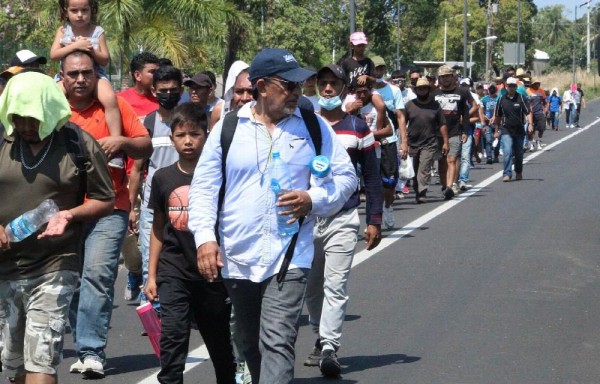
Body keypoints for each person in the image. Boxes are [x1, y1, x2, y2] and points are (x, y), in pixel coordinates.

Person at [188, 48, 357, 384]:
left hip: (290, 254)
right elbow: (204, 187)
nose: (298, 91)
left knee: (278, 341)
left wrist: (313, 198)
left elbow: (346, 177)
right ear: (262, 87)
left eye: (299, 85)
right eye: (289, 85)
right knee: (248, 342)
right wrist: (205, 238)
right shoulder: (230, 127)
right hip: (237, 255)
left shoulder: (313, 125)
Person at [0, 71, 114, 384]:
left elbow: (105, 200)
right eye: (18, 118)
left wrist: (70, 215)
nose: (25, 126)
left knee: (41, 358)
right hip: (5, 268)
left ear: (50, 110)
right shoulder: (2, 139)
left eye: (33, 119)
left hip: (55, 264)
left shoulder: (77, 143)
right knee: (15, 363)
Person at [61, 50, 153, 378]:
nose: (81, 79)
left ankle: (90, 350)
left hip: (111, 206)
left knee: (98, 274)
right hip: (66, 211)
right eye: (73, 74)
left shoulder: (115, 107)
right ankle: (83, 340)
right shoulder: (53, 110)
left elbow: (146, 145)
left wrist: (122, 141)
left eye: (87, 72)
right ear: (62, 77)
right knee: (70, 281)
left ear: (96, 75)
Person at [144, 103, 236, 384]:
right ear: (171, 137)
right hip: (174, 271)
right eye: (181, 134)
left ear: (206, 135)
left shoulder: (220, 176)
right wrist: (152, 274)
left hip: (211, 273)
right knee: (173, 336)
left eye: (194, 134)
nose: (187, 141)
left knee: (219, 341)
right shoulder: (162, 178)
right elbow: (158, 228)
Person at [303, 64, 382, 377]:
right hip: (308, 219)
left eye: (333, 84)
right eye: (322, 84)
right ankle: (319, 334)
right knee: (312, 287)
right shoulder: (304, 125)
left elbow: (372, 176)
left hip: (344, 216)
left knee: (335, 285)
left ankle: (329, 347)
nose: (327, 89)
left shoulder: (357, 126)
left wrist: (374, 219)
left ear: (343, 87)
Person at [129, 65, 184, 305]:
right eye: (163, 90)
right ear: (154, 90)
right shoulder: (148, 123)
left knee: (181, 256)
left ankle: (178, 305)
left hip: (185, 201)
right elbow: (137, 169)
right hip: (153, 203)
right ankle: (151, 307)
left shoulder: (188, 120)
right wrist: (132, 207)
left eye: (174, 89)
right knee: (150, 256)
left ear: (180, 90)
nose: (169, 94)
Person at [50, 0, 125, 168]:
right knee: (52, 98)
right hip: (66, 77)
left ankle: (116, 145)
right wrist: (76, 45)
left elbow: (104, 60)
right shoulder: (62, 30)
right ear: (66, 11)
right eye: (74, 10)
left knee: (110, 97)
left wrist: (91, 49)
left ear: (92, 10)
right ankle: (50, 142)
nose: (79, 15)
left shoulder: (97, 31)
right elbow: (54, 55)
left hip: (95, 74)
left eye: (84, 10)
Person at [404, 77, 448, 203]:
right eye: (420, 89)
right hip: (413, 142)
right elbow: (402, 123)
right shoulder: (409, 105)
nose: (422, 91)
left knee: (424, 167)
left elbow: (442, 124)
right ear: (416, 90)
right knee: (416, 168)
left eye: (424, 88)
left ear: (428, 89)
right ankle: (417, 190)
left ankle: (423, 191)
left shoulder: (435, 106)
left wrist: (445, 142)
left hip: (429, 142)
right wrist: (404, 142)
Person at [434, 65, 475, 199]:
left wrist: (464, 131)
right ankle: (445, 185)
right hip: (437, 133)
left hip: (455, 131)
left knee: (452, 159)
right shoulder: (434, 93)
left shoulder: (462, 92)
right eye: (442, 77)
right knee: (441, 161)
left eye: (447, 76)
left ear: (453, 77)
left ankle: (450, 186)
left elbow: (465, 112)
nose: (445, 79)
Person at [493, 77, 533, 182]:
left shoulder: (521, 98)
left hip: (519, 129)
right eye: (509, 86)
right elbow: (498, 116)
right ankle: (507, 173)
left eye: (513, 86)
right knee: (507, 151)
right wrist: (496, 130)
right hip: (506, 129)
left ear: (516, 87)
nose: (511, 88)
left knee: (519, 153)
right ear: (506, 86)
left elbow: (528, 112)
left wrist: (530, 124)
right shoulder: (501, 99)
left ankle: (519, 172)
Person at [209, 61, 252, 130]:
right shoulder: (219, 110)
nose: (245, 98)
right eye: (239, 91)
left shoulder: (263, 115)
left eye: (251, 91)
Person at [118, 52, 161, 119]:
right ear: (137, 75)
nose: (158, 75)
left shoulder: (164, 100)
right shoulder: (120, 101)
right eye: (152, 72)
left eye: (159, 72)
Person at [526, 79, 547, 151]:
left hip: (540, 112)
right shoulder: (528, 91)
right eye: (536, 83)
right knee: (531, 129)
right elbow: (526, 102)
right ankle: (531, 143)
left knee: (541, 128)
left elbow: (544, 101)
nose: (538, 85)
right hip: (531, 113)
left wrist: (546, 110)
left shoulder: (541, 91)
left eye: (539, 83)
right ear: (533, 84)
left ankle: (539, 141)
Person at [481, 83, 499, 163]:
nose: (492, 90)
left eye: (493, 89)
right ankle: (489, 157)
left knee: (497, 140)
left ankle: (496, 155)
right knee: (488, 140)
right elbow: (481, 110)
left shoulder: (499, 99)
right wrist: (484, 116)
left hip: (497, 123)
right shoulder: (484, 99)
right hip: (488, 122)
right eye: (490, 89)